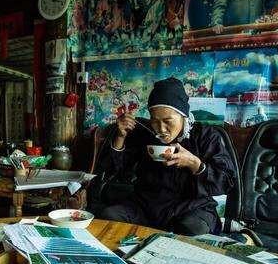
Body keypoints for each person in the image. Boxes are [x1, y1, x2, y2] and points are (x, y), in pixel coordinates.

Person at [101, 77, 235, 235]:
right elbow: (115, 171)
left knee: (192, 228)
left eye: (168, 121)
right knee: (109, 216)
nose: (161, 129)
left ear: (183, 115)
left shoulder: (206, 136)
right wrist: (120, 136)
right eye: (155, 121)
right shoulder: (145, 133)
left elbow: (226, 182)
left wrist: (195, 164)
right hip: (146, 206)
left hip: (190, 207)